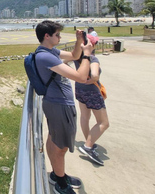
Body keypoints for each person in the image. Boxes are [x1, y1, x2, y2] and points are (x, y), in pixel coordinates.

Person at [35, 20, 94, 194]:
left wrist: (78, 43)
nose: (60, 37)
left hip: (57, 104)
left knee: (55, 141)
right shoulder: (44, 56)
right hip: (59, 105)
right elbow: (81, 77)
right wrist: (88, 55)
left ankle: (56, 174)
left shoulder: (50, 51)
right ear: (47, 36)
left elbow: (74, 56)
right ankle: (60, 183)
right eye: (57, 34)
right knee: (60, 147)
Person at [74, 34, 109, 166]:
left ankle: (88, 140)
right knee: (103, 122)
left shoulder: (79, 58)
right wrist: (92, 81)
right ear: (92, 45)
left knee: (85, 116)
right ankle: (88, 146)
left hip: (79, 89)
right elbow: (94, 75)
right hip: (91, 92)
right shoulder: (93, 59)